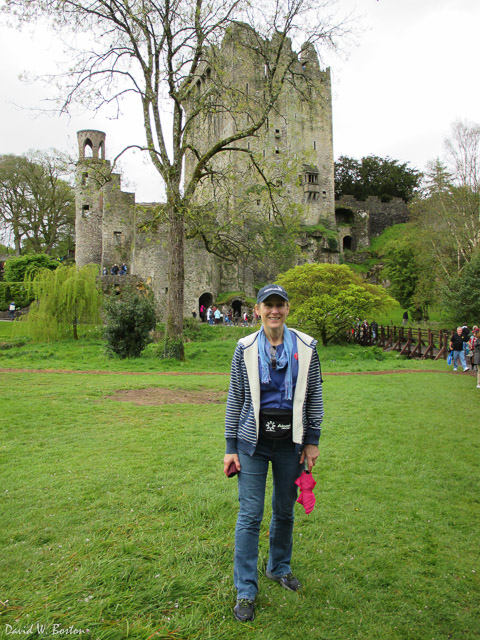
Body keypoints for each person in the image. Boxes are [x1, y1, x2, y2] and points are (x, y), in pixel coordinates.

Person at [224, 284, 323, 622]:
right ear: (258, 310)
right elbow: (235, 399)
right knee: (250, 516)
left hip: (290, 443)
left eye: (280, 305)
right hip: (252, 443)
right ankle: (246, 590)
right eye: (269, 305)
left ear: (288, 309)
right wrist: (229, 448)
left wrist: (312, 439)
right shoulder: (245, 347)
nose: (274, 311)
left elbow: (314, 396)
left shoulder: (307, 347)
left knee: (284, 511)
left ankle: (278, 567)